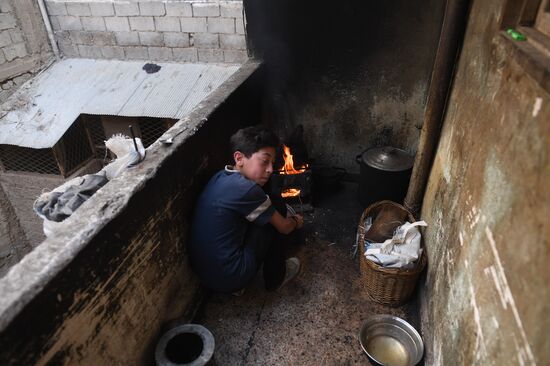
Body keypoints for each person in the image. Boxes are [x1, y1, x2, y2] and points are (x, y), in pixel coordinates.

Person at [189, 126, 304, 294]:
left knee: (267, 208)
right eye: (265, 161)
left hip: (204, 275)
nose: (271, 169)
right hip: (231, 277)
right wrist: (296, 221)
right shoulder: (247, 190)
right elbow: (284, 228)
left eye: (272, 163)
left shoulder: (221, 176)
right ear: (239, 158)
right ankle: (276, 278)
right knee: (277, 206)